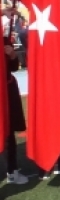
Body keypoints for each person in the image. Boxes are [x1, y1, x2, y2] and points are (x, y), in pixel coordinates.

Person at [3, 33, 28, 184]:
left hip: (7, 91)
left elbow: (13, 67)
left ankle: (12, 170)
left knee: (8, 132)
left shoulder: (4, 40)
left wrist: (12, 55)